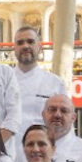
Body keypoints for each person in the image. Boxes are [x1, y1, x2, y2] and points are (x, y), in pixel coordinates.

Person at [11, 27, 66, 155]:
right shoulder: (4, 81)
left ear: (39, 47)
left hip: (42, 154)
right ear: (14, 48)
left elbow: (64, 125)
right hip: (10, 152)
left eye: (30, 42)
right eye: (20, 42)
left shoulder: (55, 83)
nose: (25, 46)